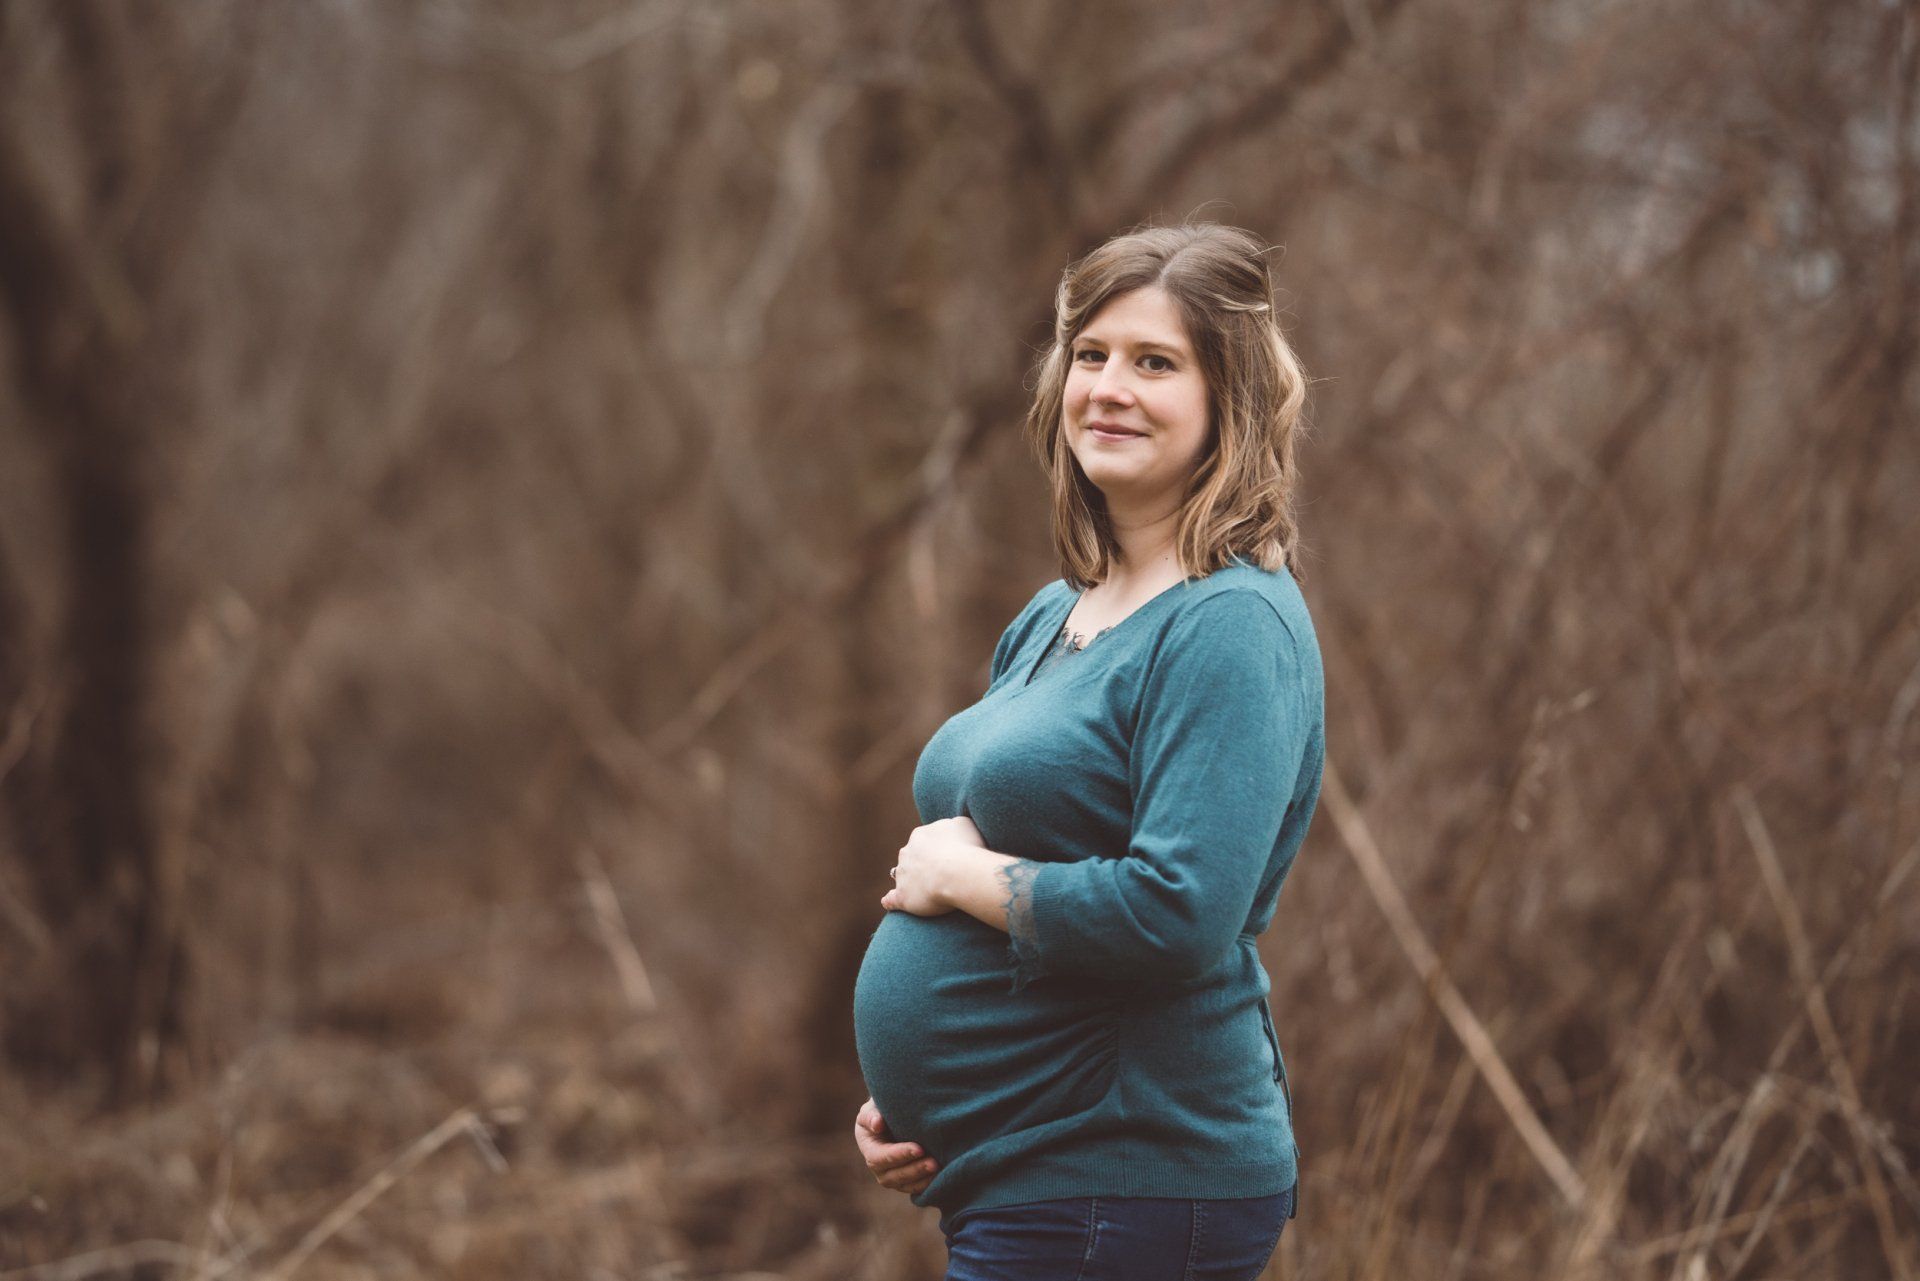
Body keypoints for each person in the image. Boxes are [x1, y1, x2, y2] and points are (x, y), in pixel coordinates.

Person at [850, 220, 1325, 1280]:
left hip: (1130, 1177)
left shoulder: (1230, 625)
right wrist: (930, 1097)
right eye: (1092, 354)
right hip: (1030, 1172)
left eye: (1156, 363)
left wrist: (966, 876)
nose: (1108, 386)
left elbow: (1178, 914)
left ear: (1229, 399)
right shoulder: (1058, 613)